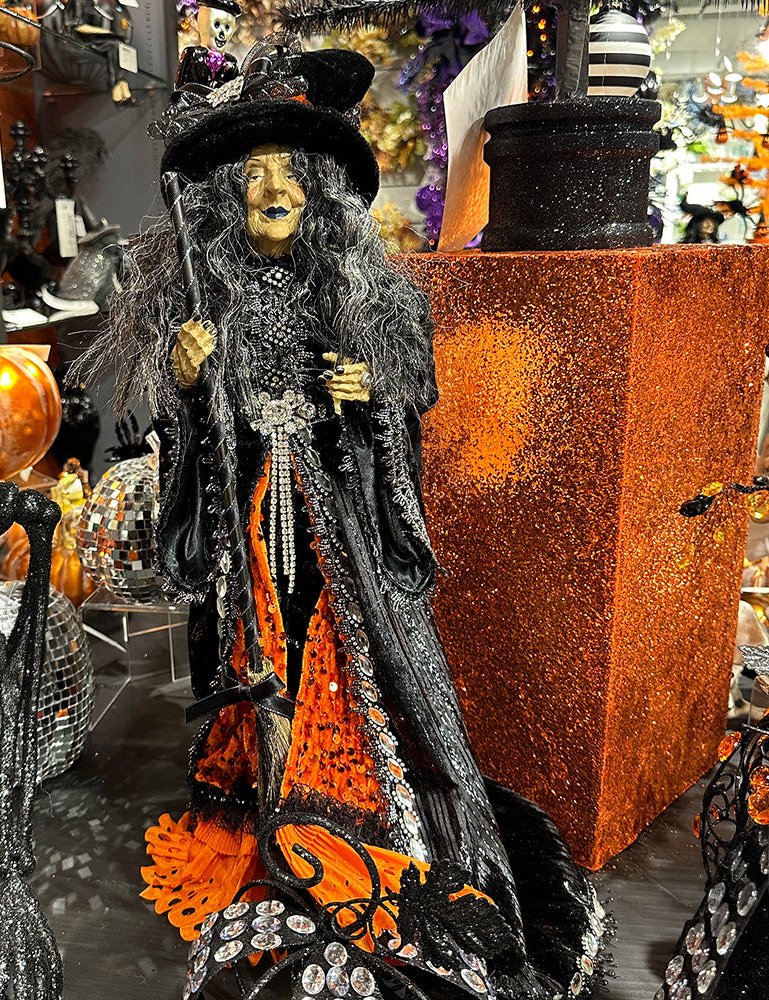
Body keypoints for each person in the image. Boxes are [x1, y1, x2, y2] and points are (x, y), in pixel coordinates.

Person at [80, 33, 607, 1000]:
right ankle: (270, 812)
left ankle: (355, 814)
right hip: (249, 526)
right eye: (253, 173)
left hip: (342, 527)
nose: (272, 187)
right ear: (226, 196)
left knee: (349, 651)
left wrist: (372, 402)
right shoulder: (207, 299)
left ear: (320, 189)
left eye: (290, 170)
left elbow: (409, 398)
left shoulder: (368, 296)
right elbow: (190, 445)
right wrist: (191, 388)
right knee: (259, 655)